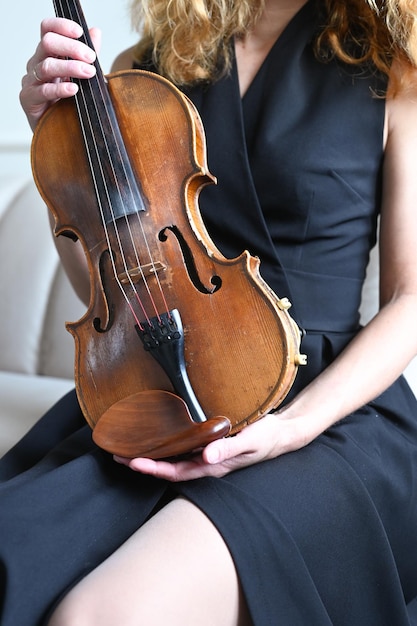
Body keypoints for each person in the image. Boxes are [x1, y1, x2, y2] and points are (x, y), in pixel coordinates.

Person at [1, 0, 417, 623]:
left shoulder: (396, 70)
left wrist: (292, 427)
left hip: (330, 415)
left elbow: (411, 299)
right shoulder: (139, 72)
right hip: (163, 393)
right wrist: (54, 134)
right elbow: (111, 291)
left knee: (98, 614)